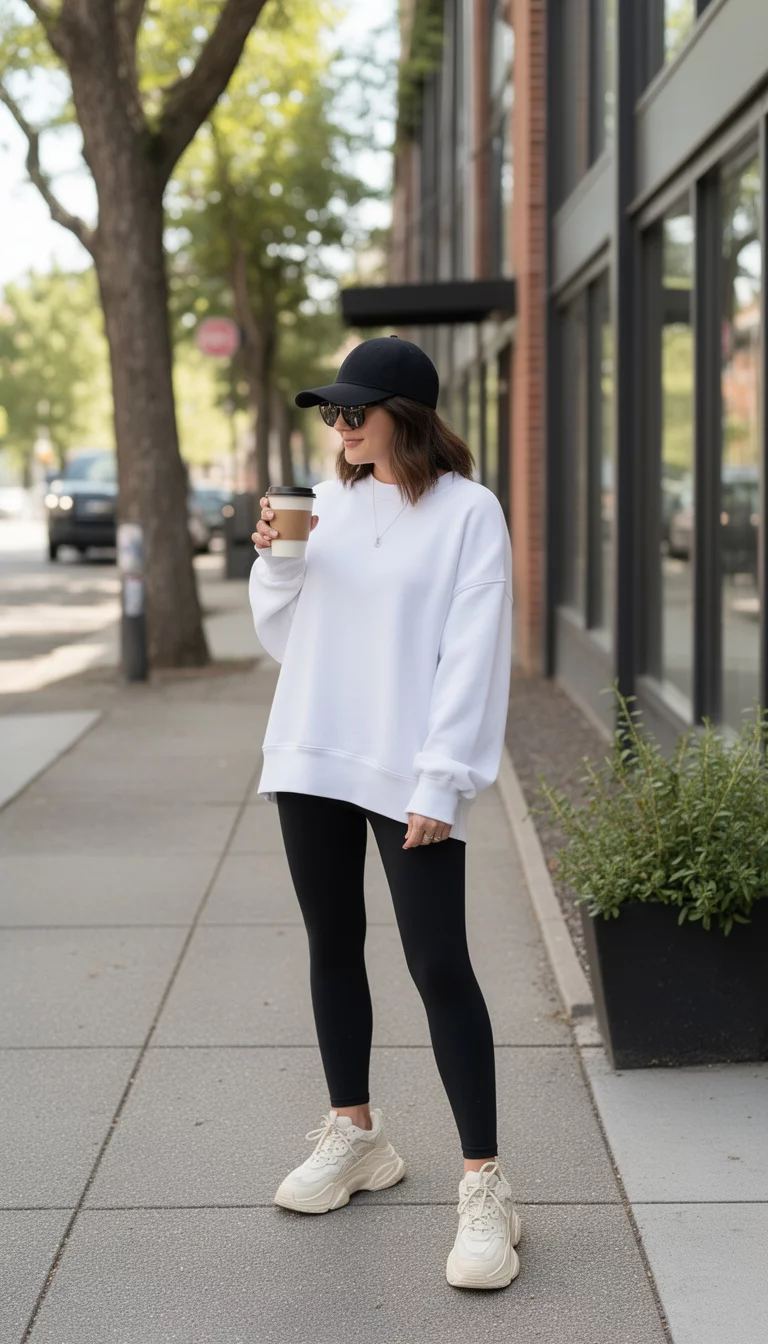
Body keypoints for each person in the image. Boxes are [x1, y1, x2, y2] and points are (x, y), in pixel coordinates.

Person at [249, 335, 519, 1290]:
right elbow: (289, 637)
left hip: (407, 770)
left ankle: (486, 1186)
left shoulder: (468, 515)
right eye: (331, 413)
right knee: (332, 944)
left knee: (439, 964)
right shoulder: (326, 506)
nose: (340, 427)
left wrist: (443, 780)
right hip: (311, 748)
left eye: (354, 412)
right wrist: (278, 563)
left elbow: (475, 653)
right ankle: (356, 1133)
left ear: (406, 416)